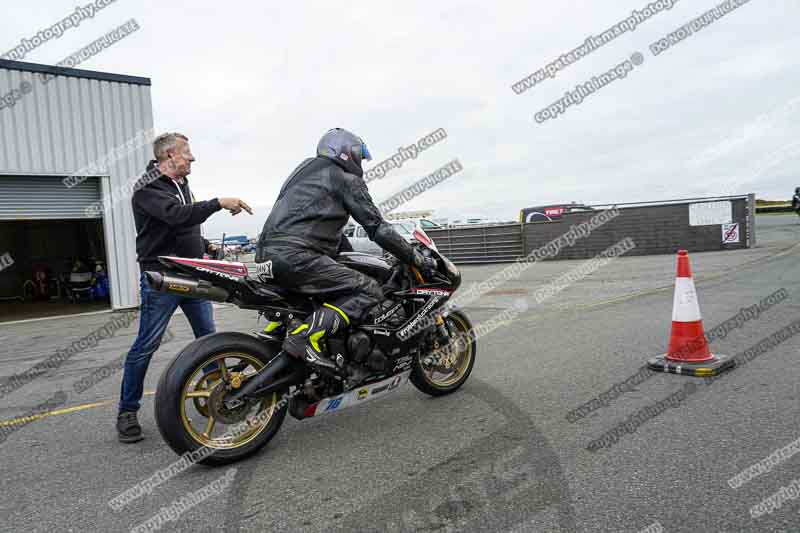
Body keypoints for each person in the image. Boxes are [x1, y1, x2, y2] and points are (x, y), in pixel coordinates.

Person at [256, 128, 435, 371]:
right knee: (369, 290)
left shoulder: (301, 174)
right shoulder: (344, 177)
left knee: (323, 296)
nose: (360, 161)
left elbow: (324, 232)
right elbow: (378, 228)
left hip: (267, 258)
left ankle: (296, 346)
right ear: (346, 152)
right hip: (297, 257)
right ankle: (305, 337)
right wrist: (414, 257)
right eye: (359, 155)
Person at [117, 132, 252, 443]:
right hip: (162, 279)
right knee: (146, 345)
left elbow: (183, 227)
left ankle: (220, 397)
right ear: (168, 157)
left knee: (209, 338)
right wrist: (218, 202)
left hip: (193, 276)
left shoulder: (181, 185)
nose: (192, 158)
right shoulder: (147, 186)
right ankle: (127, 411)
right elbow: (175, 217)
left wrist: (204, 246)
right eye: (187, 153)